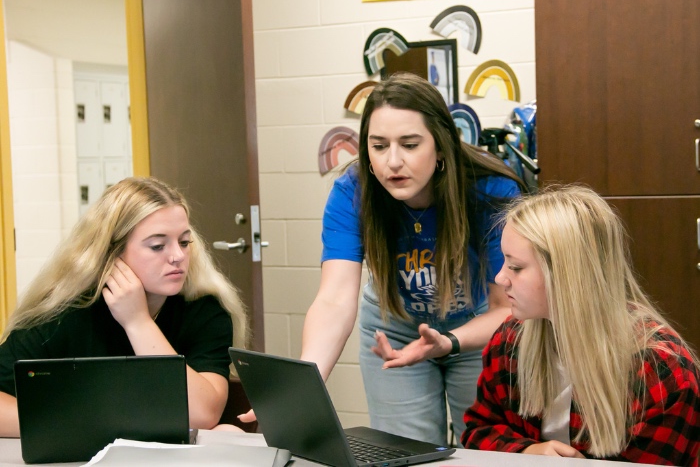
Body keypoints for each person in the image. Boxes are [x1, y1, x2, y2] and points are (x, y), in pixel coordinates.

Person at [295, 72, 523, 445]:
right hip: (395, 330)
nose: (393, 161)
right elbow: (335, 298)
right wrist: (308, 379)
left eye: (410, 144)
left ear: (441, 144)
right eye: (379, 146)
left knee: (485, 448)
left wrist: (447, 340)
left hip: (478, 326)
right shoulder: (353, 191)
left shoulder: (491, 189)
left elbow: (507, 308)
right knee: (405, 452)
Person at [462, 185, 700, 464]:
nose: (501, 278)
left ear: (567, 275)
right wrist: (527, 452)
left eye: (515, 267)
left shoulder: (662, 373)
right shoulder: (510, 341)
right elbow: (478, 431)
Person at [0, 177, 248, 437]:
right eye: (157, 246)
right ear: (112, 253)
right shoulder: (66, 313)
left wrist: (138, 322)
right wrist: (77, 424)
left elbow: (202, 414)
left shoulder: (204, 312)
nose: (177, 256)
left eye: (184, 242)